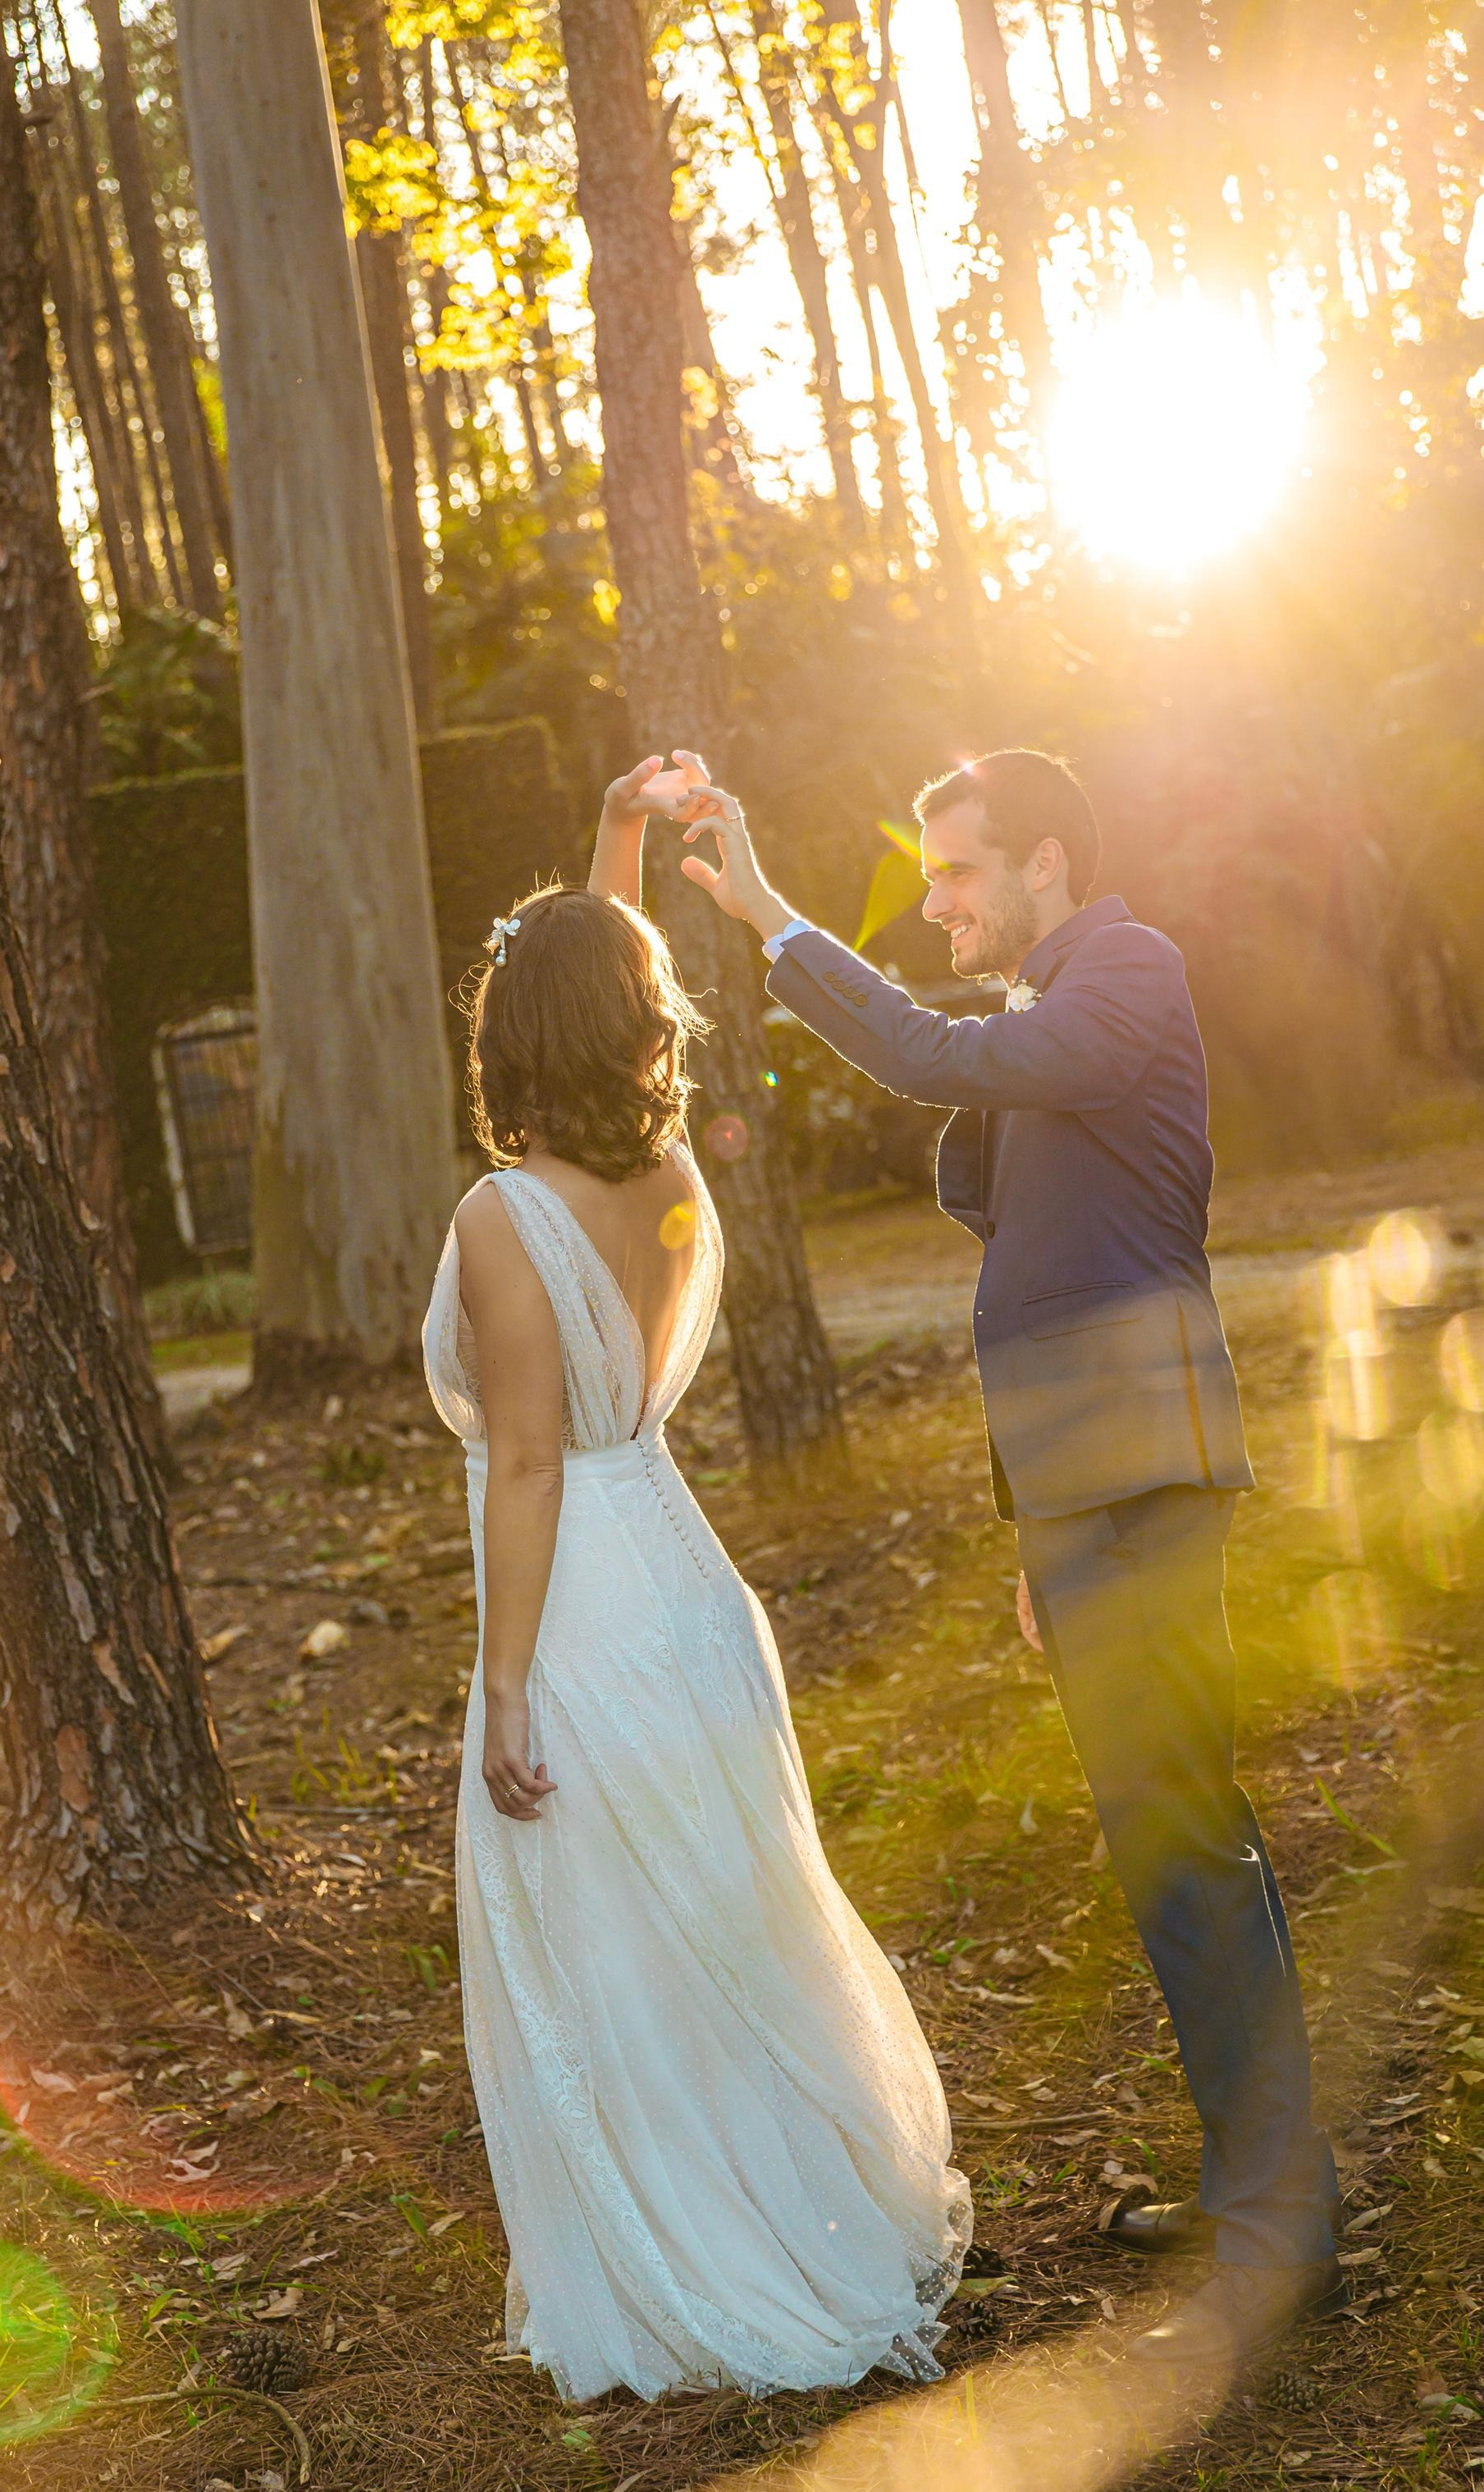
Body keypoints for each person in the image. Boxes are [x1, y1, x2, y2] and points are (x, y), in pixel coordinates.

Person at [669, 746, 1342, 2377]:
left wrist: (767, 914)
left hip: (1144, 1479)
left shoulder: (1127, 967)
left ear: (1047, 860)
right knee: (1179, 1839)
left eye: (959, 871)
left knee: (1184, 1844)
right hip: (1088, 1494)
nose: (939, 903)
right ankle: (1263, 2191)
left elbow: (923, 1053)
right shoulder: (1048, 1013)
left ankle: (1279, 2237)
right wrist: (1040, 1528)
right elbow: (1033, 1248)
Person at [421, 757, 970, 2404]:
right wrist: (616, 837)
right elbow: (594, 971)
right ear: (632, 1021)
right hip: (689, 1585)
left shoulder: (502, 1218)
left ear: (508, 1035)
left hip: (583, 1610)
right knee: (726, 1918)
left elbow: (528, 1465)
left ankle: (690, 2260)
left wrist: (504, 1686)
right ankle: (798, 2207)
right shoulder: (667, 1175)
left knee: (615, 1941)